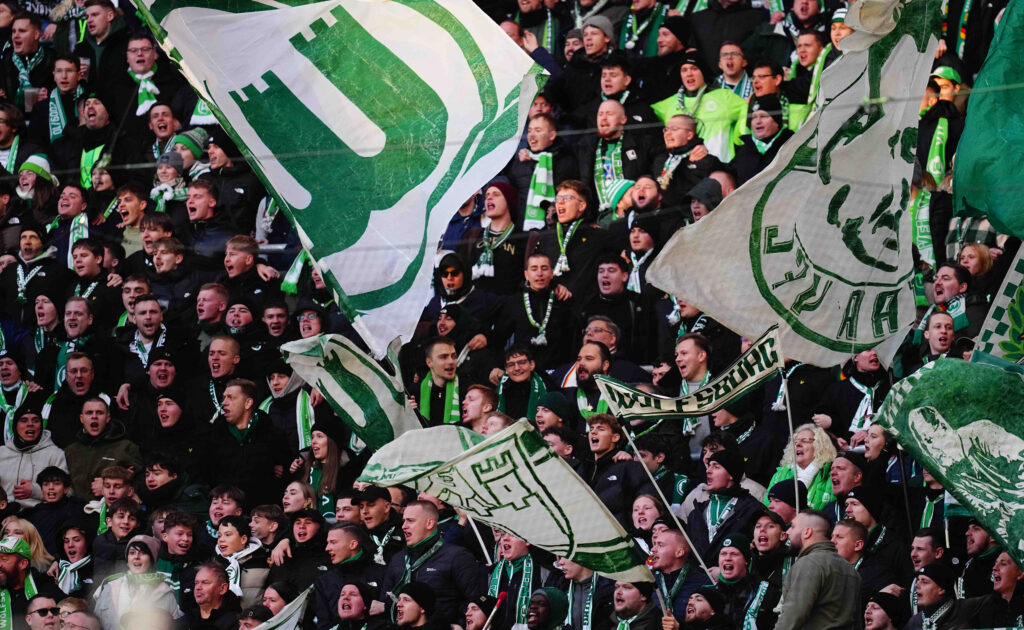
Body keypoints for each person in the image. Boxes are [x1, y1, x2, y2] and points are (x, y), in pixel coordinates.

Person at [380, 500, 487, 625]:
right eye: (404, 521)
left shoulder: (457, 556)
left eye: (411, 520)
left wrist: (460, 625)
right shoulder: (398, 559)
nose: (404, 526)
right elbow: (386, 599)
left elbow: (476, 600)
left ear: (429, 523)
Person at [776, 510, 862, 630]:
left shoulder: (808, 563)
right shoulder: (851, 570)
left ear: (807, 532)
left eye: (793, 527)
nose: (787, 532)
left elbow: (792, 617)